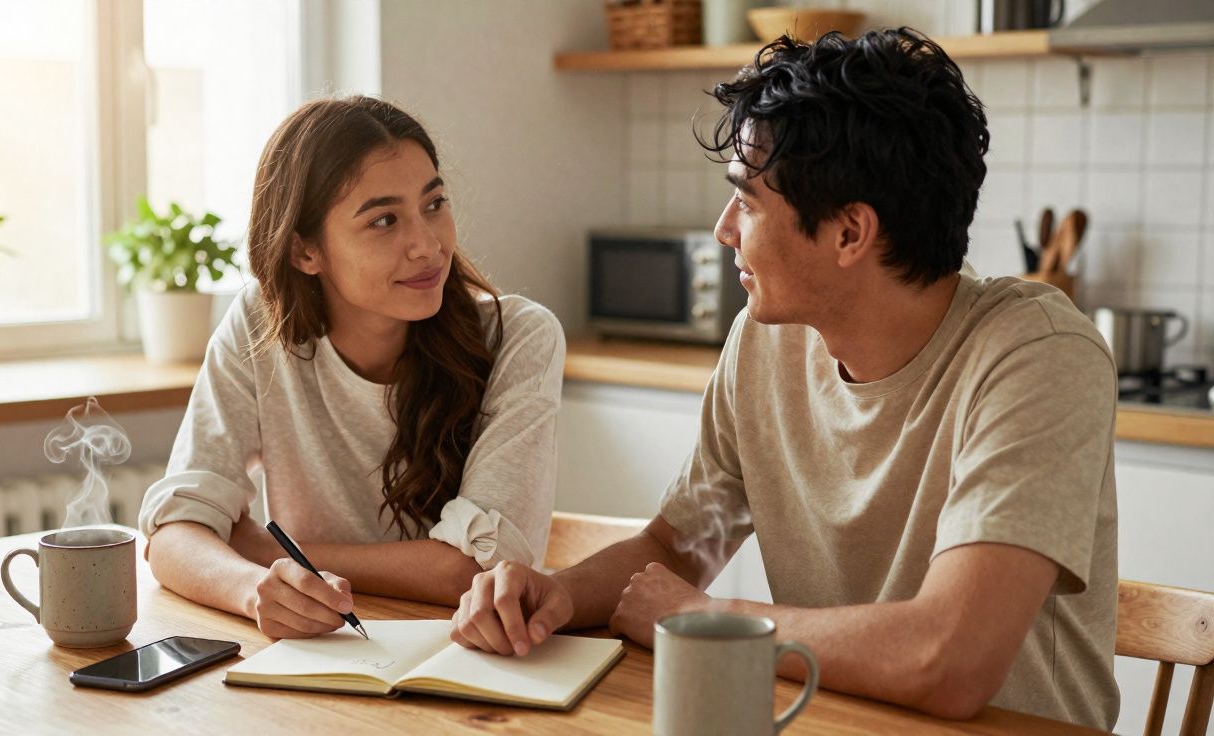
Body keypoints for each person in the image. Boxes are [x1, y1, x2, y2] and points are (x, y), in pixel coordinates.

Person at [449, 29, 1119, 731]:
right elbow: (678, 548)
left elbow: (948, 661)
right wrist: (547, 595)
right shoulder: (766, 342)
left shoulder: (1038, 354)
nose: (722, 230)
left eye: (746, 199)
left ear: (849, 234)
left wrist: (705, 619)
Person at [140, 96, 565, 641]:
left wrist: (270, 550)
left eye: (434, 204)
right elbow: (174, 533)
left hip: (472, 655)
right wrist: (253, 591)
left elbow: (476, 569)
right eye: (384, 220)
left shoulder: (520, 337)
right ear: (304, 251)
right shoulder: (259, 326)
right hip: (326, 659)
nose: (428, 245)